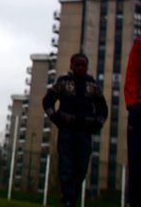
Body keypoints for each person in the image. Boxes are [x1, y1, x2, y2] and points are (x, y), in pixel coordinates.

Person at [43, 53, 108, 207]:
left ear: (87, 66)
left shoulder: (93, 85)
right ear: (71, 66)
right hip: (66, 131)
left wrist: (97, 124)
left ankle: (73, 197)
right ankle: (67, 199)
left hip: (85, 133)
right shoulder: (63, 82)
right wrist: (56, 117)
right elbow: (47, 101)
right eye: (77, 64)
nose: (80, 67)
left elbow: (103, 109)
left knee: (81, 167)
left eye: (83, 65)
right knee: (66, 165)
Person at [125, 36, 141, 207]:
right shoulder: (140, 43)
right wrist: (134, 106)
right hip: (139, 112)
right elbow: (132, 75)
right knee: (136, 165)